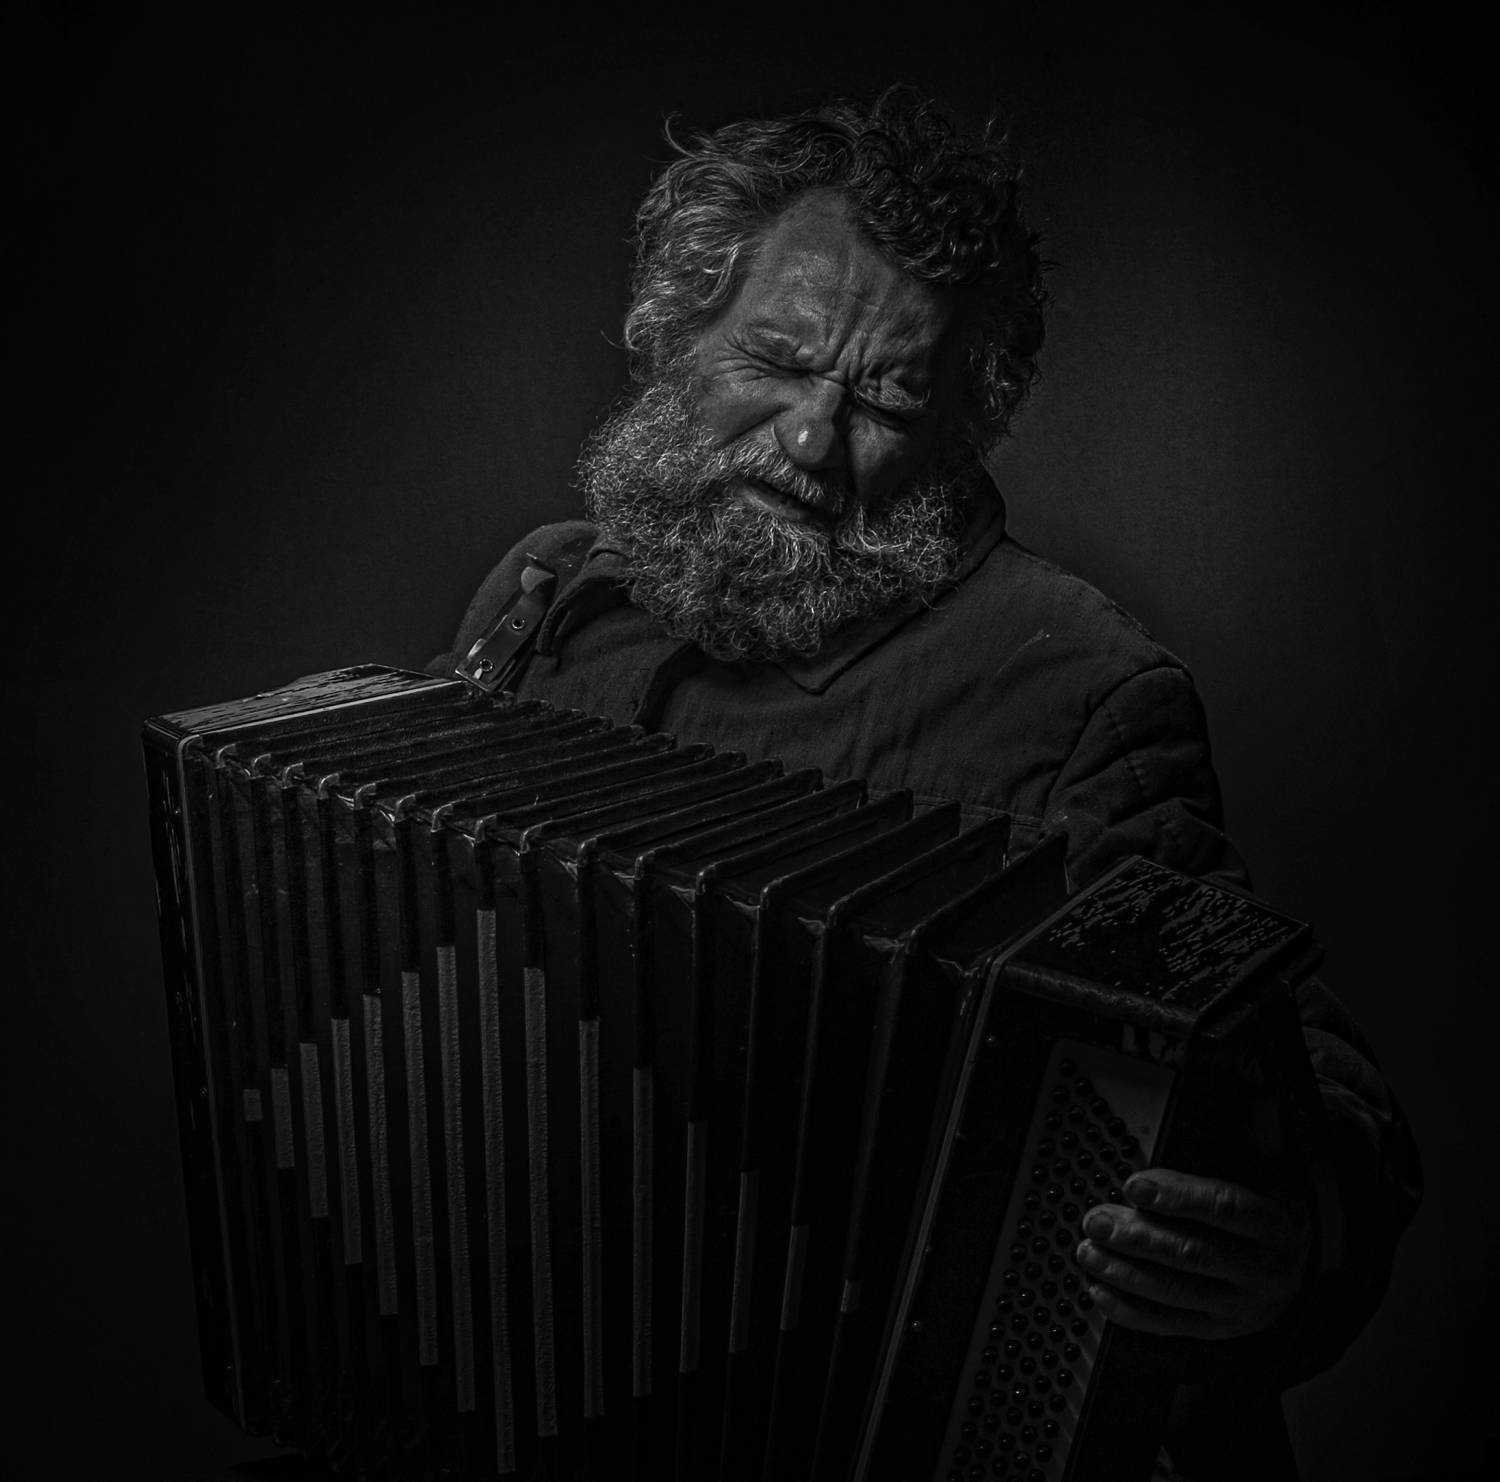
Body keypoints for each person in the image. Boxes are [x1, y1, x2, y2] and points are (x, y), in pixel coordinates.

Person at [429, 89, 1419, 1479]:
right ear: (674, 338)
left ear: (962, 428)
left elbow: (1293, 1070)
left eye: (888, 397)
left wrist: (1289, 1238)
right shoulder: (542, 602)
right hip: (557, 1385)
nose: (811, 440)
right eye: (776, 360)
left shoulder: (1079, 692)